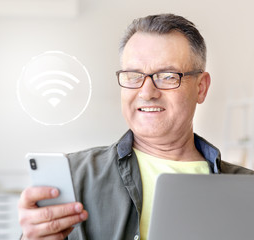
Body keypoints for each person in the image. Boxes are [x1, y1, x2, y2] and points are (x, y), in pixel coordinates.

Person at [18, 13, 254, 240]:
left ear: (201, 88)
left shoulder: (248, 189)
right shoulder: (73, 176)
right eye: (133, 75)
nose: (147, 92)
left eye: (167, 75)